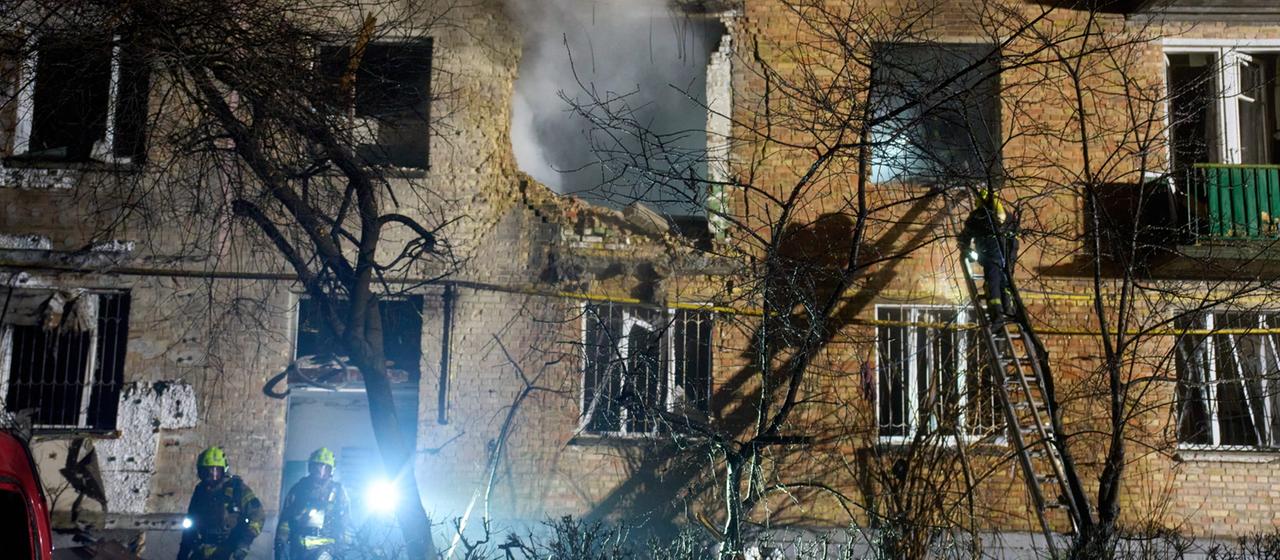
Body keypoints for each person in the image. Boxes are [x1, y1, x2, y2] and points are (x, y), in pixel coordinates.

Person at [177, 447, 265, 560]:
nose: (210, 477)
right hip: (202, 550)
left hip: (229, 551)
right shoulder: (200, 491)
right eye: (205, 472)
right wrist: (183, 553)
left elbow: (258, 516)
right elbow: (190, 522)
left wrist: (244, 543)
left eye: (215, 472)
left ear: (224, 471)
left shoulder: (237, 489)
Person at [275, 447, 350, 560]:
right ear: (310, 467)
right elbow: (285, 520)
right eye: (317, 466)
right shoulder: (299, 489)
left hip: (326, 550)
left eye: (325, 468)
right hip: (299, 549)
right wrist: (280, 544)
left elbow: (345, 523)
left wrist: (341, 550)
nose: (320, 471)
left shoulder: (338, 492)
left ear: (331, 470)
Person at [959, 188, 1020, 320]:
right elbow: (1015, 240)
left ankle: (997, 315)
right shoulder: (1008, 216)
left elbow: (965, 236)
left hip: (990, 256)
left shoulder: (978, 216)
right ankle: (1009, 310)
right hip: (1007, 257)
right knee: (1005, 283)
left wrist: (966, 250)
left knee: (992, 284)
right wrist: (1011, 259)